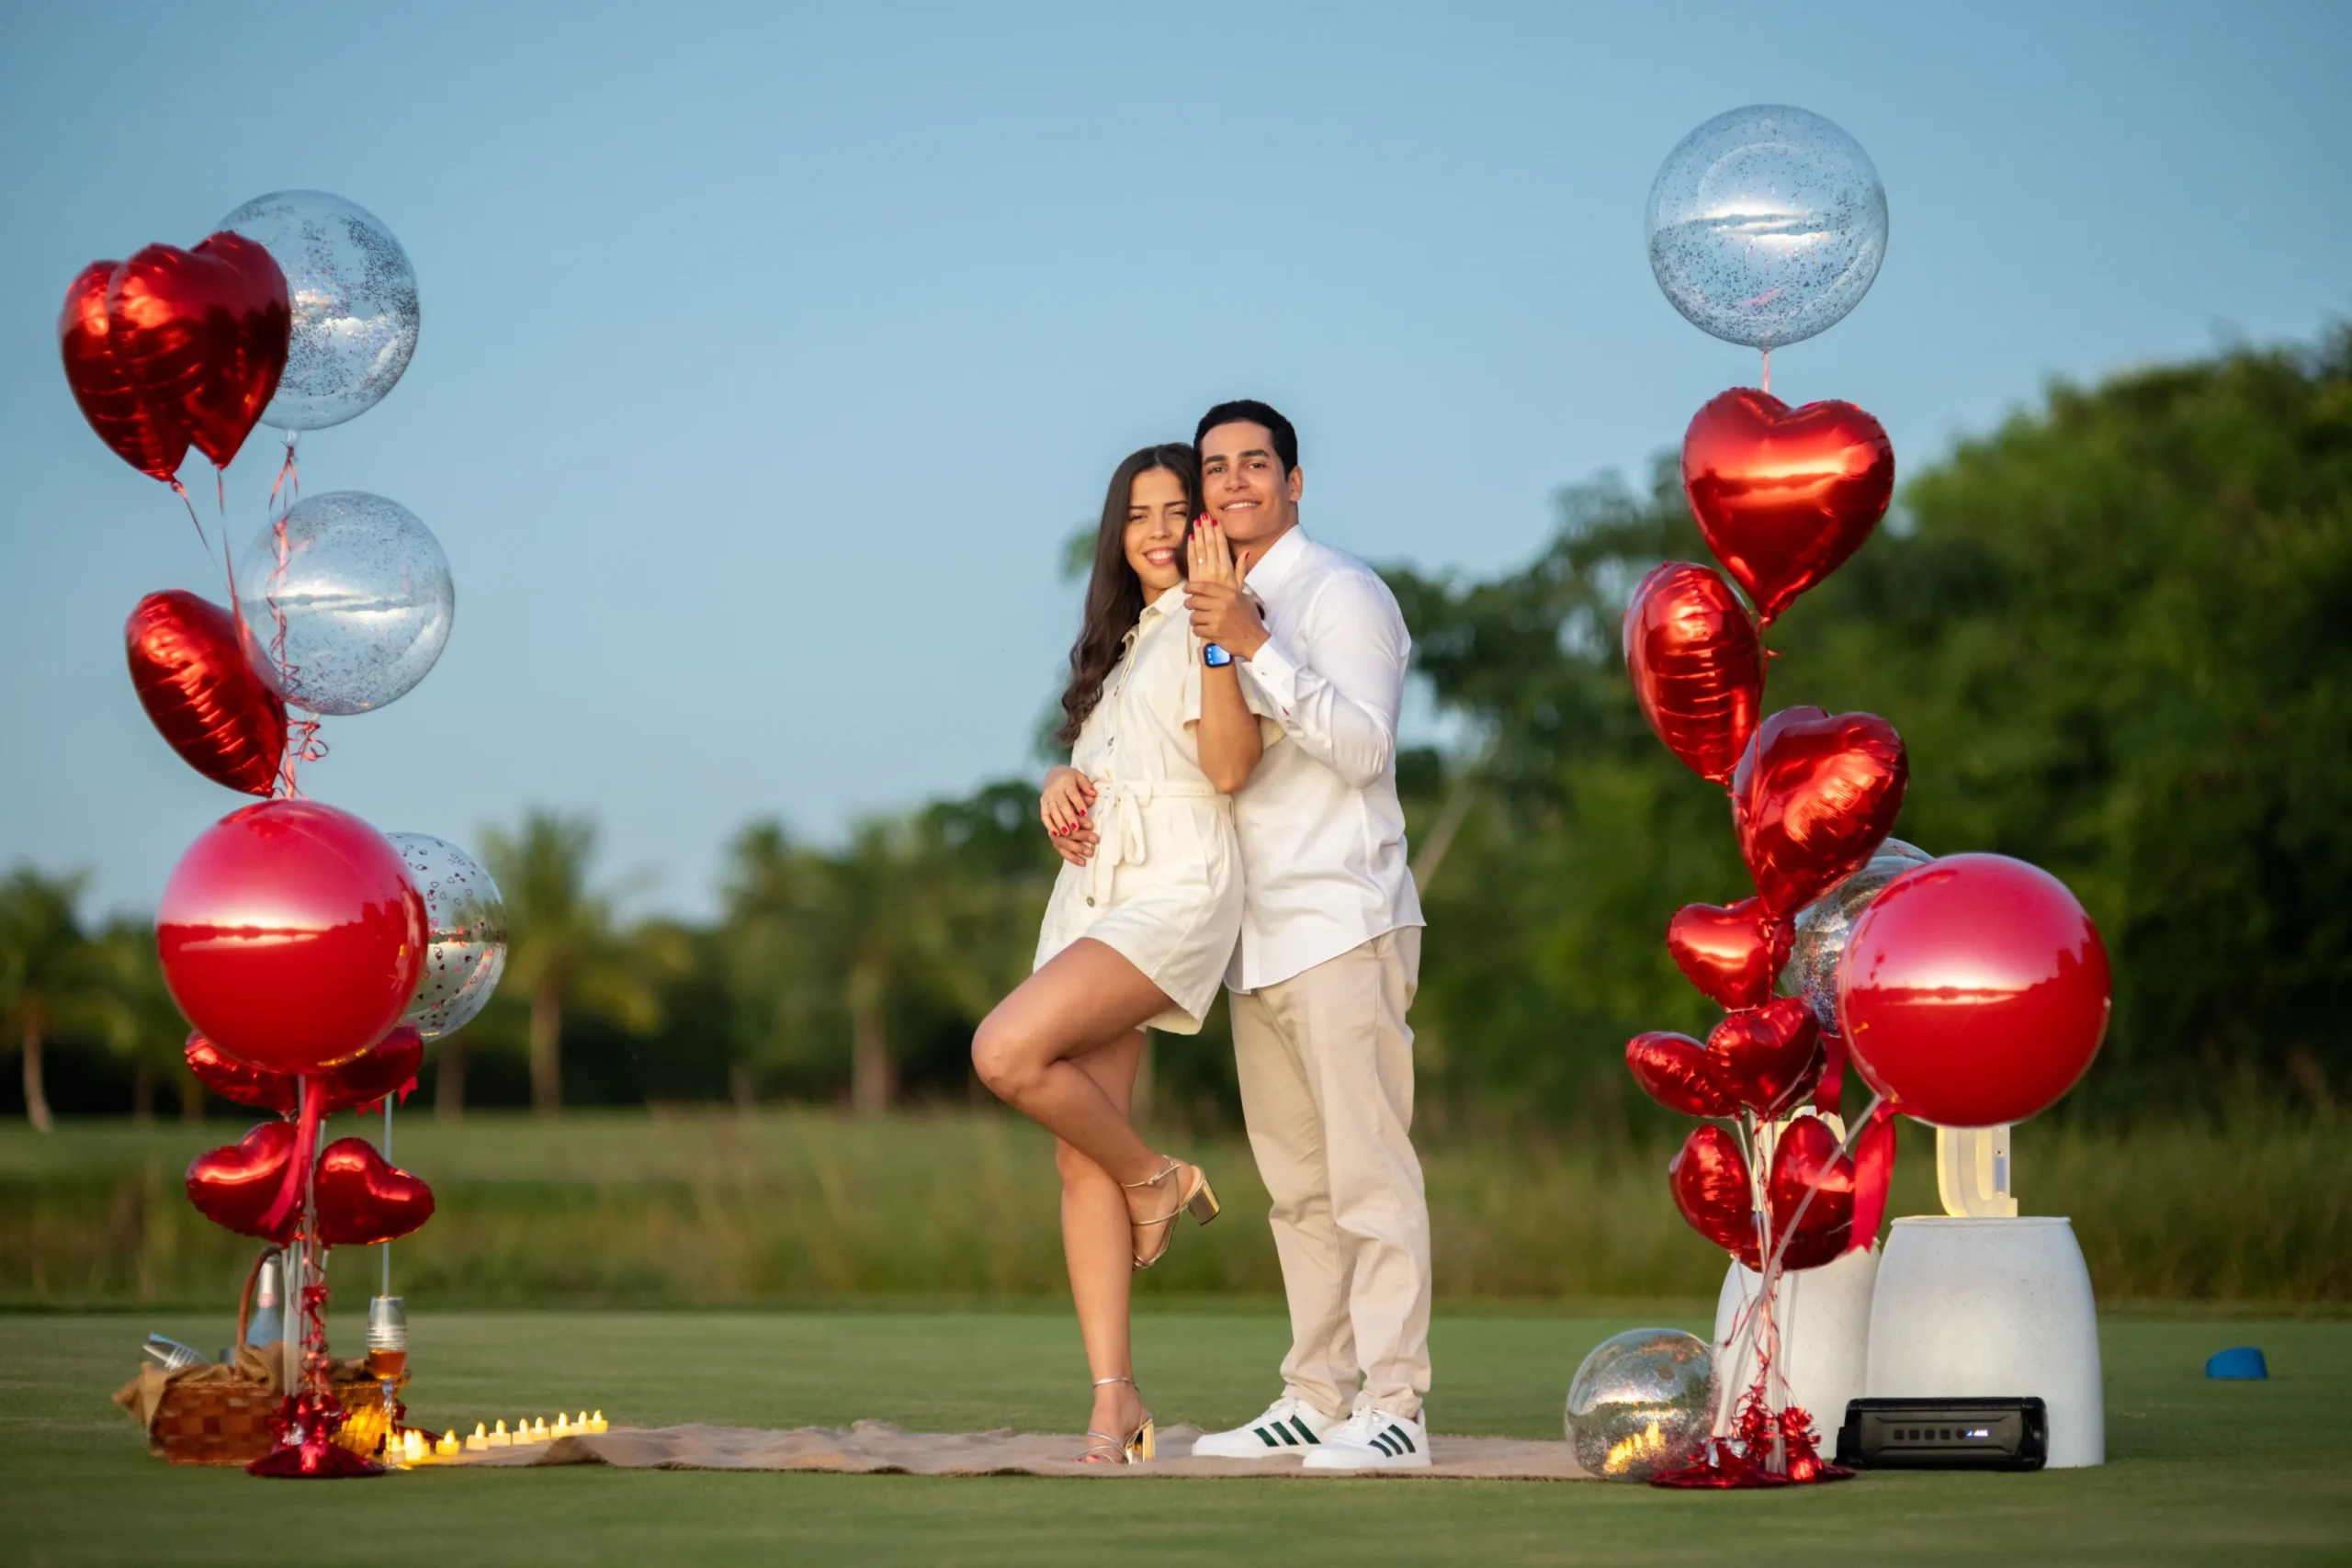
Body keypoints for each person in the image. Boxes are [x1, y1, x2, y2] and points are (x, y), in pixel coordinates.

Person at [971, 442, 1281, 1465]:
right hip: (1093, 894)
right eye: (1137, 514)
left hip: (1176, 886)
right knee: (1077, 1155)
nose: (1155, 530)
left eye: (1175, 510)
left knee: (1004, 1051)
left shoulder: (1211, 620)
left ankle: (1157, 1179)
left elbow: (1228, 767)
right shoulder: (1119, 646)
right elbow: (1113, 769)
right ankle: (1117, 1403)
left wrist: (1222, 638)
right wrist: (1057, 784)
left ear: (1205, 525)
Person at [1177, 400, 1435, 1470]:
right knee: (1298, 1193)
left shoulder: (1339, 591)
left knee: (1370, 1177)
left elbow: (1365, 750)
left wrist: (1255, 644)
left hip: (1343, 920)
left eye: (1255, 463)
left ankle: (1397, 1408)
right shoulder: (1210, 606)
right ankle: (1316, 1396)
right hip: (1256, 938)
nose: (1234, 481)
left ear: (1292, 482)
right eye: (1215, 468)